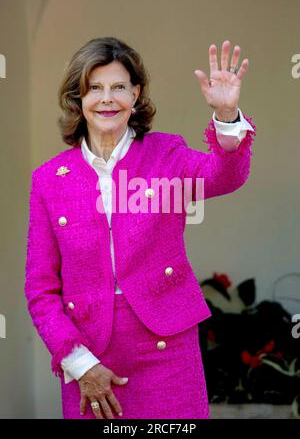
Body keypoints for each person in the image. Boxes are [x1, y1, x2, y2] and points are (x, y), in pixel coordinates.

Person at [24, 36, 256, 419]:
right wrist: (79, 364)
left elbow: (224, 176)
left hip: (167, 351)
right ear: (78, 99)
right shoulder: (49, 180)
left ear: (135, 94)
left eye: (118, 87)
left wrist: (227, 117)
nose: (107, 99)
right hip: (87, 354)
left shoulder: (166, 154)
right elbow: (40, 288)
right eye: (94, 88)